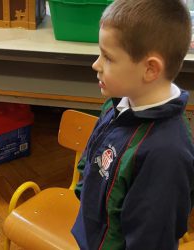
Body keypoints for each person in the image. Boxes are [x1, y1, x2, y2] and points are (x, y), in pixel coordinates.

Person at [71, 0, 194, 249]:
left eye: (107, 57)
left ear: (150, 69)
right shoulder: (117, 105)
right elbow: (92, 155)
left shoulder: (166, 154)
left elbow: (153, 239)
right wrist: (84, 191)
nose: (96, 65)